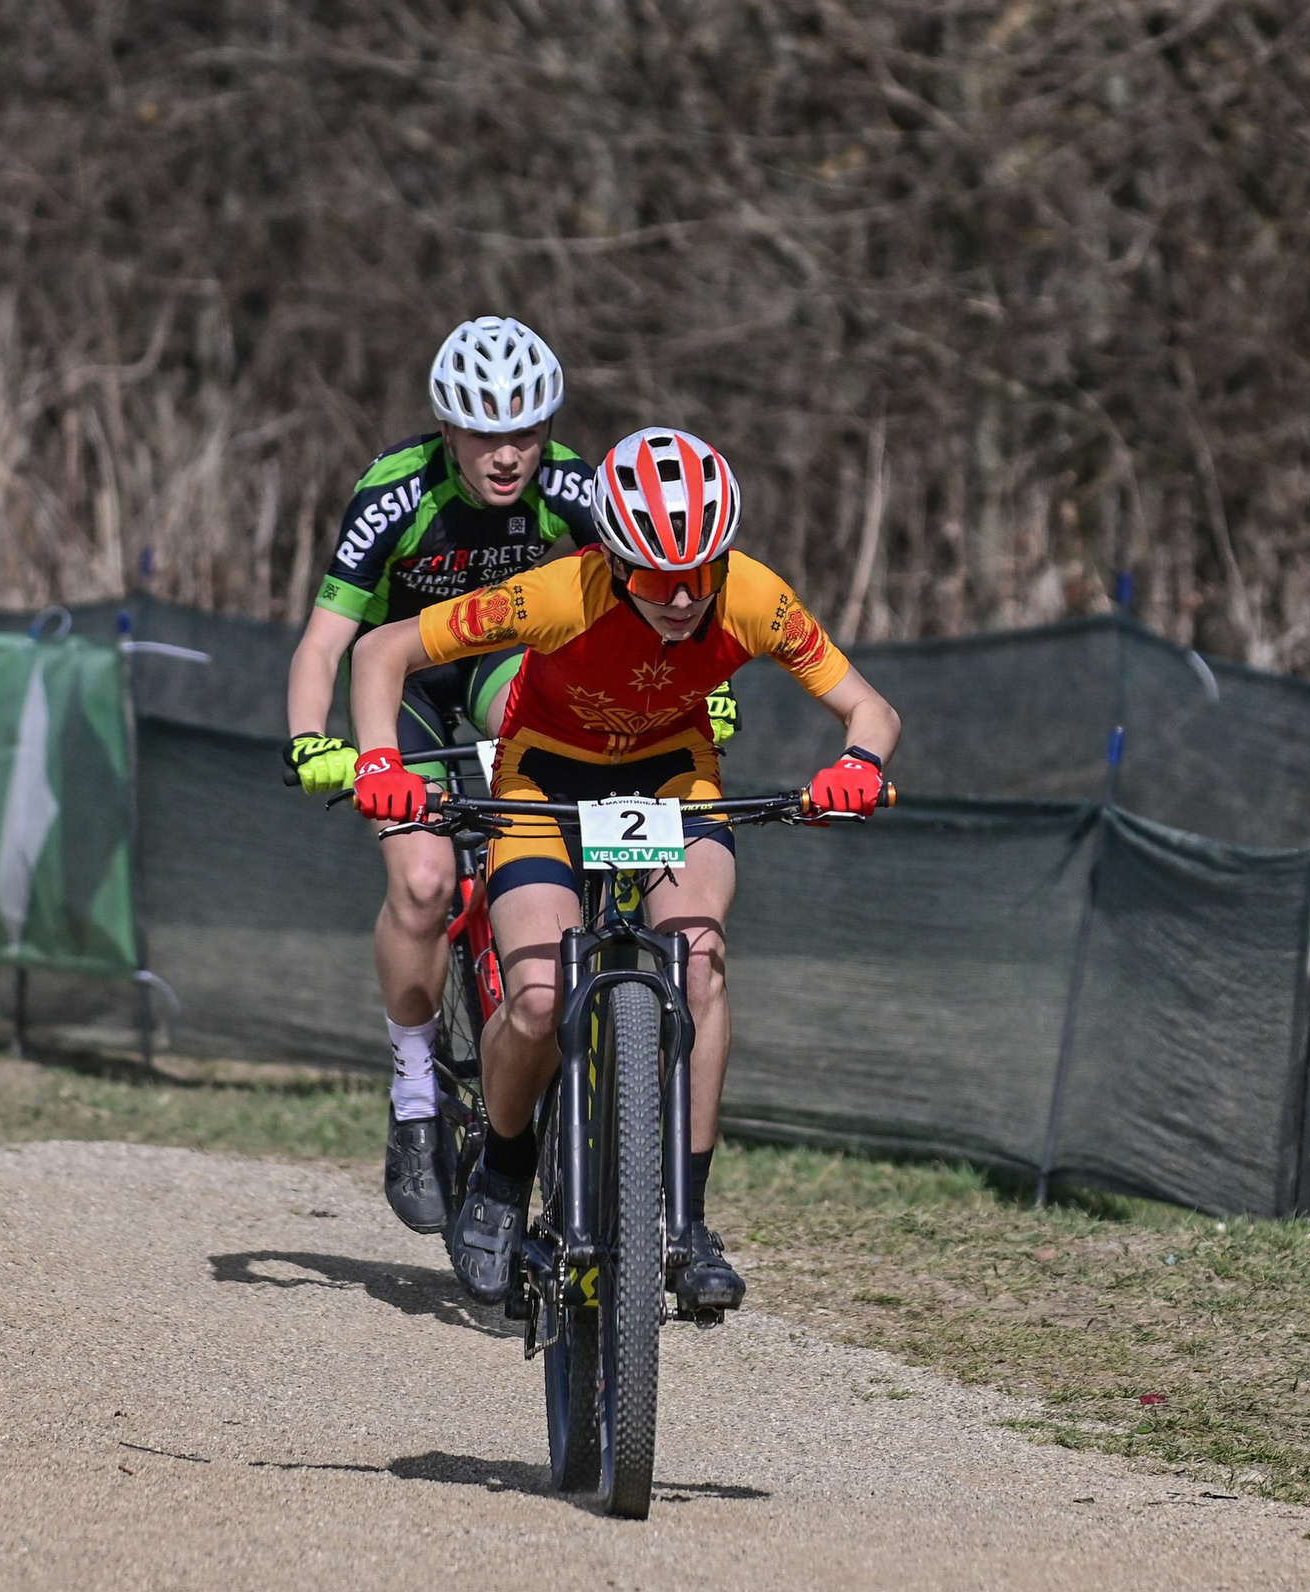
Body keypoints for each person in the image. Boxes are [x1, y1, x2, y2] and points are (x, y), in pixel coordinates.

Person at [345, 427, 900, 1310]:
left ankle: (689, 1222)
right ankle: (501, 1168)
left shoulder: (752, 595)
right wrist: (381, 763)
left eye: (699, 574)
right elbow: (382, 651)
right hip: (544, 775)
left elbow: (868, 706)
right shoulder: (557, 594)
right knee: (534, 1001)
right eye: (652, 576)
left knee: (701, 962)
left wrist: (859, 765)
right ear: (611, 557)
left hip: (672, 774)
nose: (681, 598)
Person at [283, 316, 600, 1236]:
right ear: (447, 428)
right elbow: (325, 642)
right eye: (483, 432)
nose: (507, 455)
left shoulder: (573, 488)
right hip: (406, 678)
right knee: (422, 881)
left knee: (559, 773)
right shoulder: (393, 494)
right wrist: (312, 741)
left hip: (501, 662)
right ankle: (416, 1090)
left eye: (526, 431)